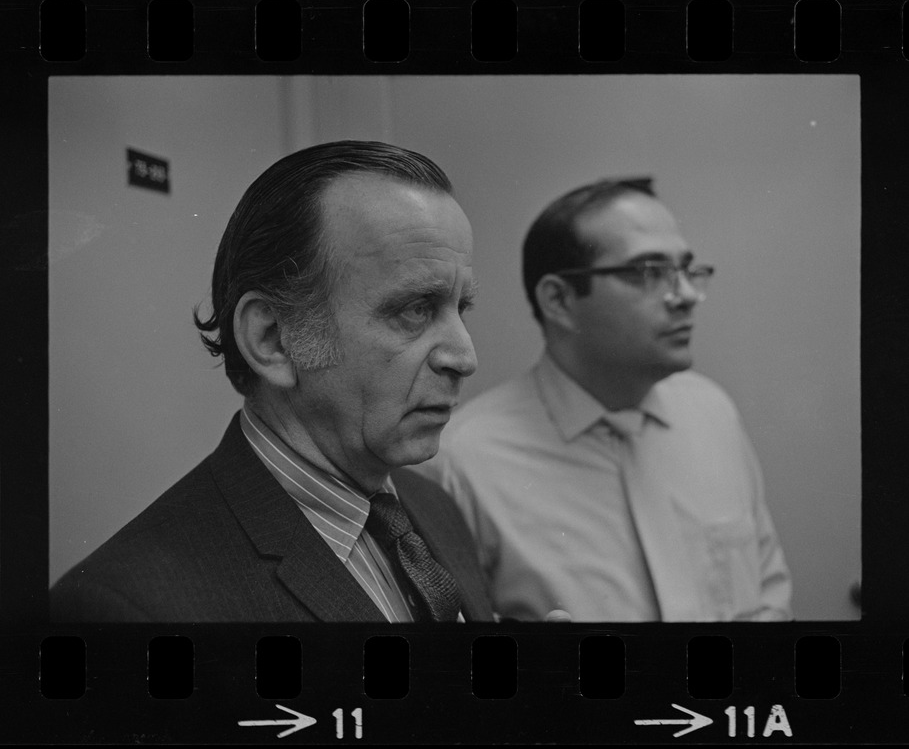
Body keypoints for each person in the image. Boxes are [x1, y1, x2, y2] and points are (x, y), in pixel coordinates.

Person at [51, 140, 494, 623]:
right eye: (415, 309)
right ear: (273, 340)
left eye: (460, 308)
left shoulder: (433, 506)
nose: (464, 357)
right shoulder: (127, 607)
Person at [418, 177, 792, 622]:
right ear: (559, 300)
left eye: (687, 270)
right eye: (649, 272)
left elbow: (770, 594)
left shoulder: (712, 413)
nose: (687, 296)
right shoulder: (463, 463)